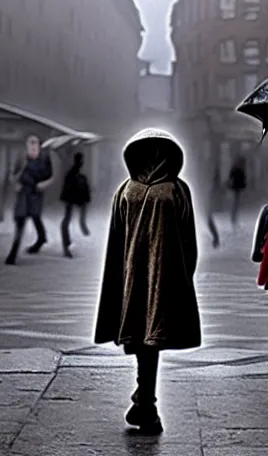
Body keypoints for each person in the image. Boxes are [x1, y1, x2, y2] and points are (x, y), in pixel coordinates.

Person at [94, 128, 201, 435]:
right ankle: (145, 403)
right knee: (152, 338)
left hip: (131, 280)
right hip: (165, 279)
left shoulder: (125, 191)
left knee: (141, 339)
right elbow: (189, 241)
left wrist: (120, 280)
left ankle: (144, 402)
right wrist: (183, 277)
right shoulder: (176, 190)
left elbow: (115, 244)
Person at [5, 134, 54, 265]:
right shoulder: (22, 159)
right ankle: (13, 254)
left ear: (39, 146)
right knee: (20, 221)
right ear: (26, 146)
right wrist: (15, 184)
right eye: (30, 143)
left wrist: (44, 184)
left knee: (35, 216)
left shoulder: (44, 159)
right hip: (23, 193)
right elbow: (13, 174)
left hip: (36, 193)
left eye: (35, 143)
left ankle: (41, 238)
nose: (33, 146)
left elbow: (51, 176)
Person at [58, 151, 91, 258]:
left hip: (73, 198)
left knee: (67, 218)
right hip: (71, 198)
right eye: (81, 160)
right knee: (66, 220)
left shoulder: (77, 174)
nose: (82, 162)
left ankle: (82, 226)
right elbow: (68, 187)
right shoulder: (73, 173)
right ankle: (66, 244)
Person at [227, 156, 247, 227]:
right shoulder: (237, 169)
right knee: (235, 203)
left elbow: (243, 179)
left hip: (237, 188)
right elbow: (231, 178)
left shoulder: (238, 169)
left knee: (236, 204)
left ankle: (234, 218)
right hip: (236, 188)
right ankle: (233, 218)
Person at [207, 167, 223, 248]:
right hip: (206, 201)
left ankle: (216, 238)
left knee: (208, 219)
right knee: (208, 220)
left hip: (205, 201)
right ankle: (216, 238)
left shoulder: (210, 179)